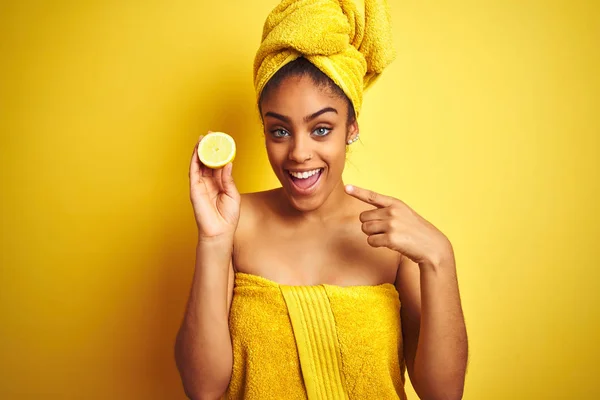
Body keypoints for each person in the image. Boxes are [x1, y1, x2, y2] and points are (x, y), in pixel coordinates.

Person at [175, 0, 468, 399]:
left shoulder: (395, 239)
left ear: (351, 128)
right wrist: (212, 241)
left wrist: (439, 258)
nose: (298, 153)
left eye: (321, 129)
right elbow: (202, 389)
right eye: (279, 131)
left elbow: (444, 393)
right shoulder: (235, 224)